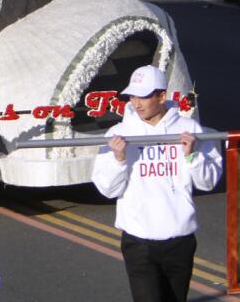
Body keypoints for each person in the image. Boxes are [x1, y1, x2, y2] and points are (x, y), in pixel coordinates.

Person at [92, 65, 223, 302]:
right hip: (139, 241)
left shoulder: (189, 129)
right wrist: (119, 160)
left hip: (179, 240)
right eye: (132, 96)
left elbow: (207, 183)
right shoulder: (118, 133)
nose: (136, 103)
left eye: (143, 96)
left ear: (162, 96)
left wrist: (191, 156)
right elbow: (107, 189)